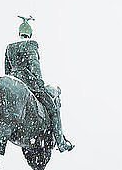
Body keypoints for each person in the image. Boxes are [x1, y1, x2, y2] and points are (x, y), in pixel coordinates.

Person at [5, 16, 74, 152]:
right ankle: (61, 142)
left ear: (20, 33)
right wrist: (39, 82)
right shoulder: (31, 44)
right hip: (28, 81)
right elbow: (34, 64)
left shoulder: (9, 47)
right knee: (54, 110)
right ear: (29, 34)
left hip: (12, 81)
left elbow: (7, 70)